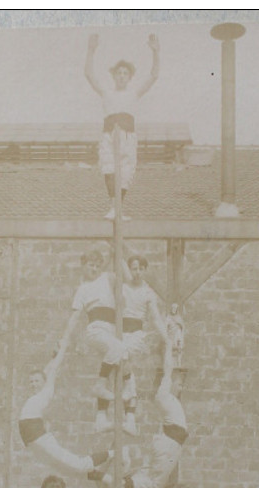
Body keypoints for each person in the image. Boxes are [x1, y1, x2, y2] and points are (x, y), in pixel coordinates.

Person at [58, 251, 135, 434]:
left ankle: (102, 417)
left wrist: (118, 251)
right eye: (90, 265)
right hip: (96, 330)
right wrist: (64, 339)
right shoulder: (83, 289)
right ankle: (98, 385)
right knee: (119, 350)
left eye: (97, 266)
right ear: (83, 266)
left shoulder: (107, 278)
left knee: (123, 365)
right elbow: (75, 317)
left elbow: (129, 277)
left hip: (112, 331)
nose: (94, 269)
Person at [85, 32, 160, 219]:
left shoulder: (134, 93)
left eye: (125, 73)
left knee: (126, 169)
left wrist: (155, 52)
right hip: (109, 133)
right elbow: (89, 75)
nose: (121, 76)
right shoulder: (106, 92)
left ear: (130, 77)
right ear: (114, 76)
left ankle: (119, 208)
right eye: (119, 73)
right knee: (108, 166)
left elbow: (153, 76)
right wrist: (91, 50)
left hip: (127, 134)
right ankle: (113, 207)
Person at [19, 343, 113, 477]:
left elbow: (53, 369)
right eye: (31, 381)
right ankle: (106, 479)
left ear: (44, 382)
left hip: (38, 437)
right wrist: (54, 356)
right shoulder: (36, 395)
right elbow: (47, 369)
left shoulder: (46, 391)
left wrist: (62, 349)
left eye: (36, 381)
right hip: (32, 441)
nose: (33, 384)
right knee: (66, 470)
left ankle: (114, 454)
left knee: (78, 465)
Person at [123, 343, 188, 488]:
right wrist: (167, 346)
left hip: (171, 444)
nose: (181, 388)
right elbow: (167, 368)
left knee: (152, 477)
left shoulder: (170, 398)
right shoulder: (163, 396)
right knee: (155, 484)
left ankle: (128, 482)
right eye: (179, 384)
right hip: (169, 443)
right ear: (170, 382)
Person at [120, 254, 169, 436]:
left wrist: (167, 339)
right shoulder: (123, 288)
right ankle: (130, 417)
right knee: (126, 373)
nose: (137, 272)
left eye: (140, 269)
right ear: (130, 269)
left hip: (136, 333)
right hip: (120, 331)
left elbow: (155, 318)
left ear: (145, 271)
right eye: (134, 268)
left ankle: (129, 409)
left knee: (124, 355)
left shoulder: (148, 293)